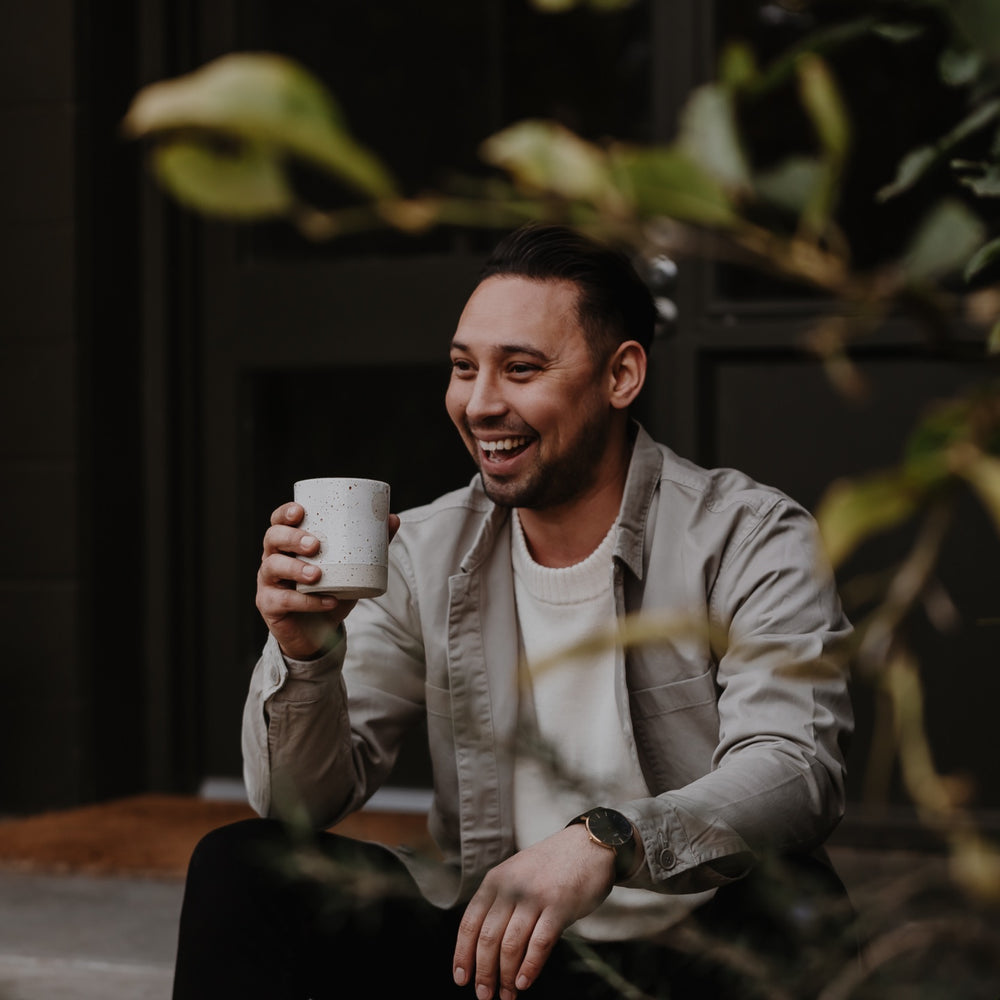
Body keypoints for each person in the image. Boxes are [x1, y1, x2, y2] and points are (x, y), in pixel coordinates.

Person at [172, 223, 856, 1000]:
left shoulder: (749, 536)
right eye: (464, 368)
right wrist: (303, 653)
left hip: (697, 954)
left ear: (622, 374)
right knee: (244, 866)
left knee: (799, 899)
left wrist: (609, 839)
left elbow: (796, 770)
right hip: (500, 963)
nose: (481, 403)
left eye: (521, 369)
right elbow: (296, 805)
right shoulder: (422, 552)